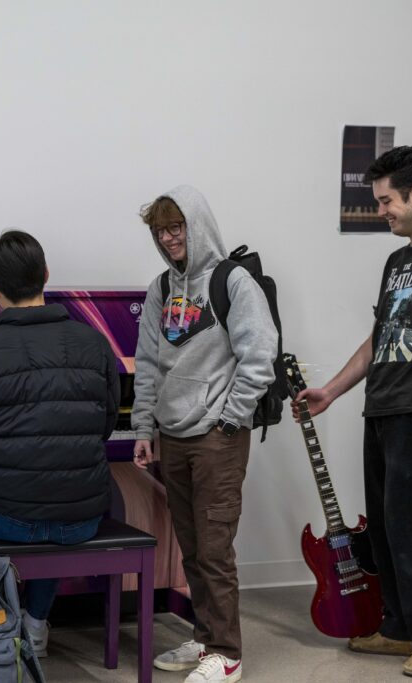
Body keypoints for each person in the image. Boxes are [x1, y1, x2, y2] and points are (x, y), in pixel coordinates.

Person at [294, 146, 412, 679]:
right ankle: (399, 628)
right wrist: (332, 391)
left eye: (386, 201)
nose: (381, 211)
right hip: (380, 407)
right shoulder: (398, 262)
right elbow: (380, 338)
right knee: (381, 525)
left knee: (409, 524)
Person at [0, 229, 120, 657]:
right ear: (46, 274)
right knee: (53, 503)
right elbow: (105, 424)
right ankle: (35, 625)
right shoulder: (95, 343)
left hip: (9, 517)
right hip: (83, 518)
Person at [131, 185, 277, 683]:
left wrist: (231, 417)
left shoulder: (232, 281)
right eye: (160, 231)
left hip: (218, 435)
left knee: (215, 548)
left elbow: (260, 355)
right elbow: (147, 362)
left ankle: (226, 653)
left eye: (176, 227)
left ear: (196, 225)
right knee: (191, 547)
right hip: (172, 434)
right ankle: (204, 636)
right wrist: (144, 425)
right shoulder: (161, 288)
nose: (169, 238)